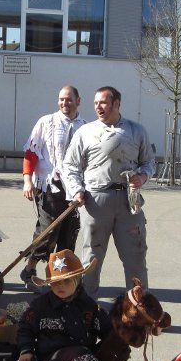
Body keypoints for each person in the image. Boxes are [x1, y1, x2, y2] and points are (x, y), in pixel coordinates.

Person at [62, 86, 155, 297]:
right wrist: (76, 190)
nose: (98, 107)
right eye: (95, 103)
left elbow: (149, 162)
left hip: (129, 202)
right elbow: (70, 165)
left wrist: (142, 177)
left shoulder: (136, 130)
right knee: (91, 256)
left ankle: (139, 303)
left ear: (116, 104)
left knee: (136, 255)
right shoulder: (85, 132)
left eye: (103, 102)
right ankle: (86, 303)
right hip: (95, 201)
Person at [16, 249, 115, 361]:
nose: (60, 286)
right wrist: (26, 350)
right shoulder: (40, 306)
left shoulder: (88, 305)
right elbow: (25, 328)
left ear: (77, 280)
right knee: (83, 358)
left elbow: (106, 328)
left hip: (83, 354)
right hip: (51, 359)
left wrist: (120, 339)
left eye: (66, 281)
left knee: (116, 354)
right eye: (55, 282)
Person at [20, 86, 86, 292]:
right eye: (61, 99)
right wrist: (27, 180)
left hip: (75, 188)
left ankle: (60, 278)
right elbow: (31, 153)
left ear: (78, 101)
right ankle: (29, 269)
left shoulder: (85, 127)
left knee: (68, 234)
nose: (64, 103)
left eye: (69, 99)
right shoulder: (46, 122)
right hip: (50, 186)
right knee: (48, 231)